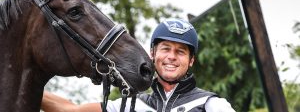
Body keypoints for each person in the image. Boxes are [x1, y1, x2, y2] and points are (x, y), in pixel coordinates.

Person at [42, 18, 235, 112]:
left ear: (191, 60)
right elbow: (71, 110)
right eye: (165, 48)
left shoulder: (211, 104)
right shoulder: (132, 105)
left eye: (181, 52)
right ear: (153, 54)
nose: (171, 57)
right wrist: (17, 84)